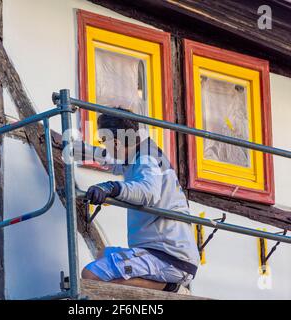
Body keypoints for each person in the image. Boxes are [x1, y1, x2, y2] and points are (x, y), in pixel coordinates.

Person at [75, 108, 200, 294]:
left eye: (103, 141)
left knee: (92, 274)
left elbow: (147, 192)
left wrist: (110, 187)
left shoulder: (147, 158)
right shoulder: (139, 154)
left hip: (167, 256)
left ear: (116, 143)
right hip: (165, 252)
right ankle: (169, 285)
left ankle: (171, 288)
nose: (103, 146)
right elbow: (108, 158)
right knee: (103, 254)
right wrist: (75, 148)